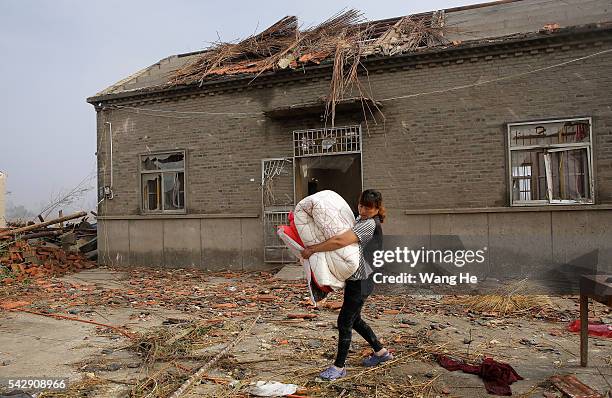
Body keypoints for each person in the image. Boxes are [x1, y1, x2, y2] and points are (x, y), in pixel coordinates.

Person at [301, 189, 392, 381]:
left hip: (361, 281)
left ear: (377, 209)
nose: (363, 209)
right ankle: (381, 353)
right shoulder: (360, 220)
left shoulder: (369, 224)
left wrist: (313, 249)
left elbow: (341, 241)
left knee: (344, 321)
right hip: (356, 279)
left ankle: (339, 367)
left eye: (368, 207)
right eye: (361, 205)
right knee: (355, 319)